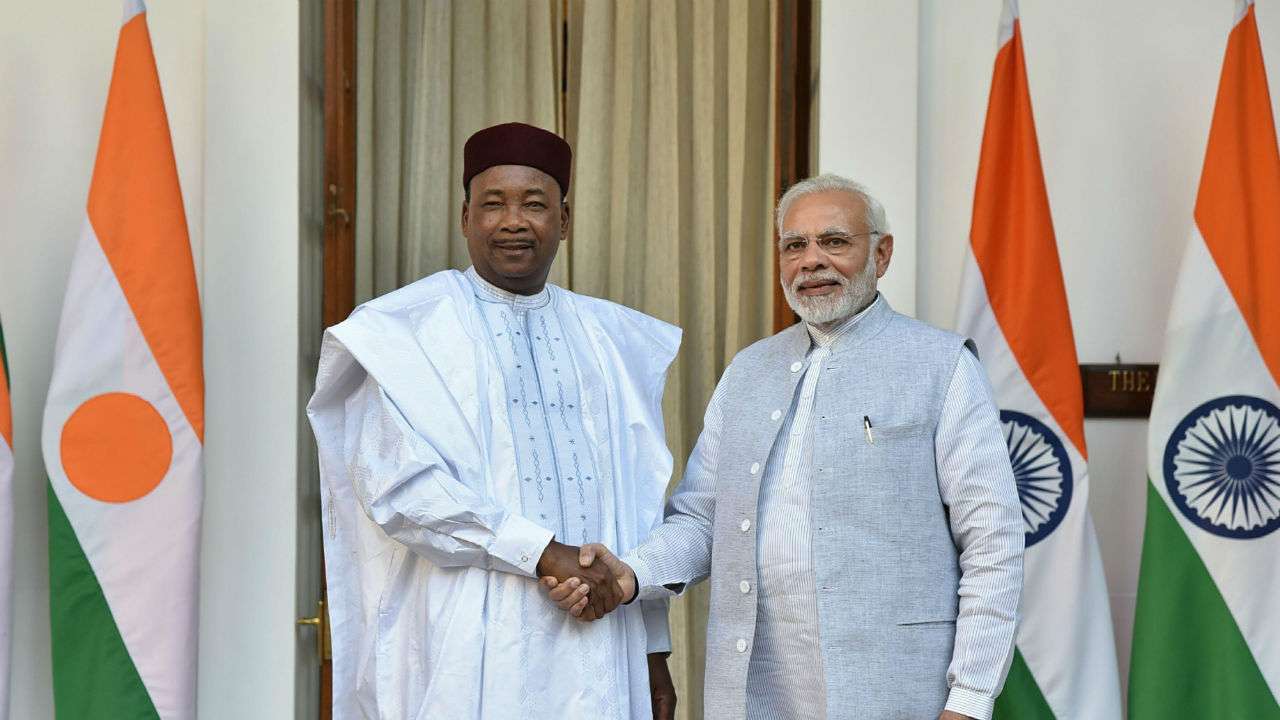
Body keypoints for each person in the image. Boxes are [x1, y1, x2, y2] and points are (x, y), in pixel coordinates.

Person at [546, 174, 1024, 720]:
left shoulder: (941, 365)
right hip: (757, 689)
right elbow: (703, 519)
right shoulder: (749, 370)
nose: (811, 261)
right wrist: (630, 573)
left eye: (835, 241)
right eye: (795, 245)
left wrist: (969, 699)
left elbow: (993, 542)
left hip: (896, 689)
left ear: (882, 254)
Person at [309, 122, 679, 719]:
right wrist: (540, 552)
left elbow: (638, 506)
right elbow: (402, 491)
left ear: (565, 219)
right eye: (493, 203)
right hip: (466, 636)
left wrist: (654, 649)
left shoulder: (613, 341)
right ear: (464, 218)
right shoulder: (405, 331)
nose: (513, 221)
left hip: (602, 641)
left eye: (535, 204)